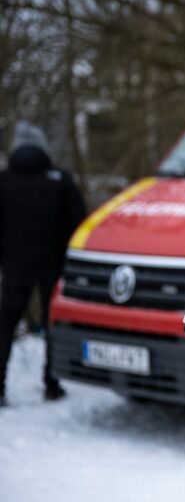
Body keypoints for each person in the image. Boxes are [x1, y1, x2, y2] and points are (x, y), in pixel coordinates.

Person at [0, 120, 87, 406]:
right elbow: (80, 225)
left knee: (5, 324)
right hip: (53, 265)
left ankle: (0, 387)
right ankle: (52, 383)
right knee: (53, 323)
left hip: (14, 266)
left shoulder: (4, 180)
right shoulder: (60, 180)